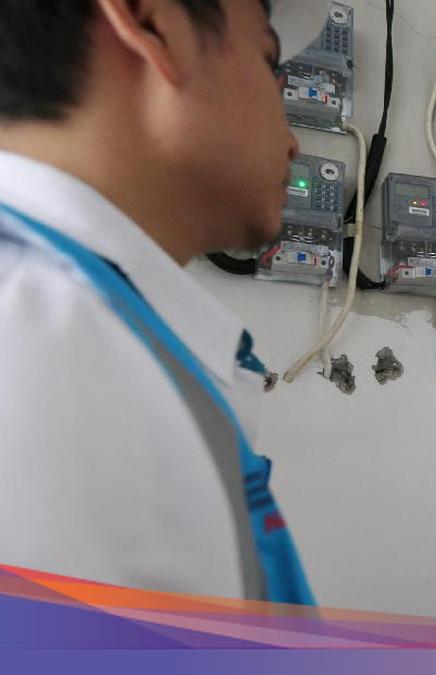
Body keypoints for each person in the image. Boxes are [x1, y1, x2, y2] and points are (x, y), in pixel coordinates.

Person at [0, 0, 325, 603]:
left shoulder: (81, 328)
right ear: (153, 24)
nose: (294, 142)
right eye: (267, 59)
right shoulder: (30, 348)